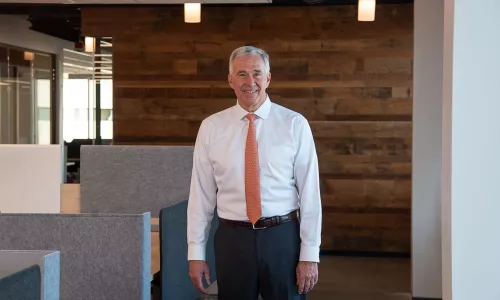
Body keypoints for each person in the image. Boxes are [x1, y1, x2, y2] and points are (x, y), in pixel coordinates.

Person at [187, 45, 322, 300]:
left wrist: (310, 254)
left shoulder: (295, 125)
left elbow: (310, 195)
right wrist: (195, 253)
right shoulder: (211, 128)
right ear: (230, 80)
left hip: (283, 239)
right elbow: (201, 196)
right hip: (232, 241)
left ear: (268, 78)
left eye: (257, 74)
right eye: (242, 74)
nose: (250, 82)